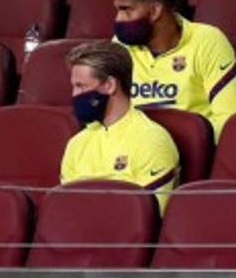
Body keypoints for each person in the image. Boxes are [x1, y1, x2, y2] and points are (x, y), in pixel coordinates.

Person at [111, 0, 236, 140]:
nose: (118, 19)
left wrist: (172, 146)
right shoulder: (120, 46)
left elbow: (227, 119)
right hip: (135, 155)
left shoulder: (207, 41)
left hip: (192, 154)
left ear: (155, 10)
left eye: (126, 10)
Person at [59, 41, 180, 214]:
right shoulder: (76, 144)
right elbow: (64, 211)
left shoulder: (152, 140)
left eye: (81, 86)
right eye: (73, 86)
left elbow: (148, 217)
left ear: (110, 85)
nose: (74, 95)